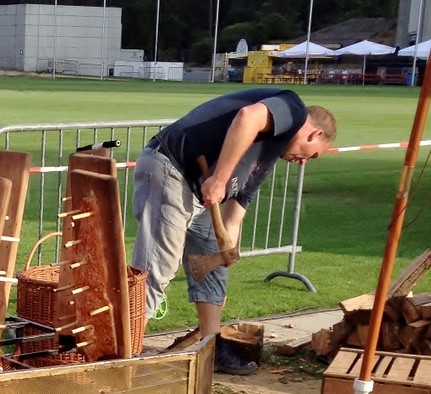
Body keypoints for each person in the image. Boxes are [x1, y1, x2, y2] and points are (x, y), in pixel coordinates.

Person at [133, 88, 336, 375]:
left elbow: (233, 219)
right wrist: (219, 179)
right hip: (171, 169)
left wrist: (226, 257)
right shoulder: (294, 108)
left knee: (213, 261)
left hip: (195, 191)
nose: (303, 162)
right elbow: (248, 116)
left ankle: (211, 346)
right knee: (157, 267)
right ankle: (125, 353)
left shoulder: (266, 157)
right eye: (311, 156)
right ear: (314, 135)